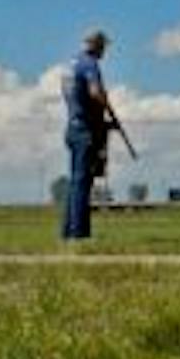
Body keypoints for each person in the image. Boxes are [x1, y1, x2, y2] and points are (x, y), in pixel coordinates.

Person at [61, 29, 118, 240]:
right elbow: (94, 92)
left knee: (76, 182)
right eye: (103, 46)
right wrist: (107, 107)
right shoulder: (90, 64)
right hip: (85, 130)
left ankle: (68, 231)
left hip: (72, 127)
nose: (105, 50)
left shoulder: (70, 64)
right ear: (96, 45)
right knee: (82, 183)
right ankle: (78, 234)